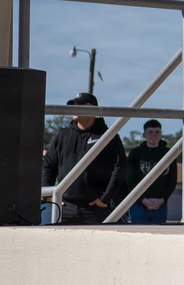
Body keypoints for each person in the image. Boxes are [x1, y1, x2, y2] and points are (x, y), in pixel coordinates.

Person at [42, 92, 126, 224]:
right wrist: (48, 195)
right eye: (72, 106)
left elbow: (119, 168)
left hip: (95, 208)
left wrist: (105, 199)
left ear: (91, 108)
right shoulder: (63, 135)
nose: (73, 109)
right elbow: (48, 165)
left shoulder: (108, 136)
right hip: (64, 207)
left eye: (78, 105)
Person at [124, 119, 177, 224]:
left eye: (157, 132)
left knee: (159, 236)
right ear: (144, 135)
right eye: (150, 132)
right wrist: (143, 200)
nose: (154, 135)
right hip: (139, 205)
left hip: (160, 205)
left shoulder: (168, 153)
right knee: (138, 235)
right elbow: (130, 180)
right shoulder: (135, 153)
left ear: (161, 134)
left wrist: (162, 199)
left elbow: (172, 180)